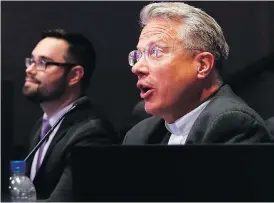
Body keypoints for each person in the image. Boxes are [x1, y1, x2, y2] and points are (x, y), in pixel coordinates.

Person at [123, 2, 272, 144]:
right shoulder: (141, 134)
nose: (137, 68)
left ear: (202, 65)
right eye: (138, 55)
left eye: (155, 52)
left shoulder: (232, 123)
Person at [22, 28, 120, 201]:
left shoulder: (93, 133)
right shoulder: (42, 124)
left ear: (74, 75)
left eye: (43, 62)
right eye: (32, 60)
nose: (30, 69)